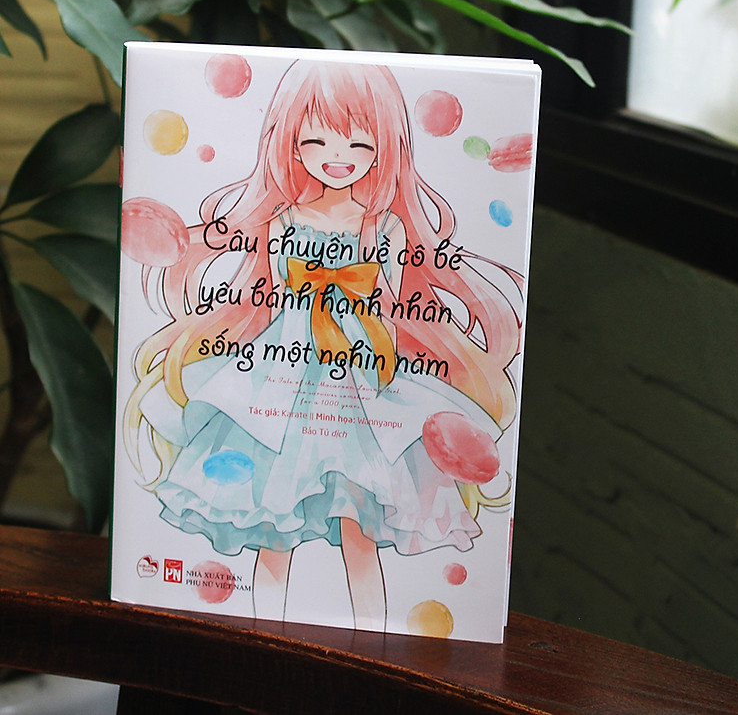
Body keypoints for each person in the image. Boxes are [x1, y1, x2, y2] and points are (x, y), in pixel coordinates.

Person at [124, 59, 521, 631]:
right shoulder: (281, 217)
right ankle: (261, 640)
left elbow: (393, 305)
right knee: (272, 526)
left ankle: (373, 646)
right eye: (318, 140)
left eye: (361, 144)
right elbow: (261, 296)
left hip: (362, 379)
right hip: (279, 377)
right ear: (290, 141)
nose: (340, 156)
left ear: (385, 149)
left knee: (361, 530)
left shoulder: (383, 225)